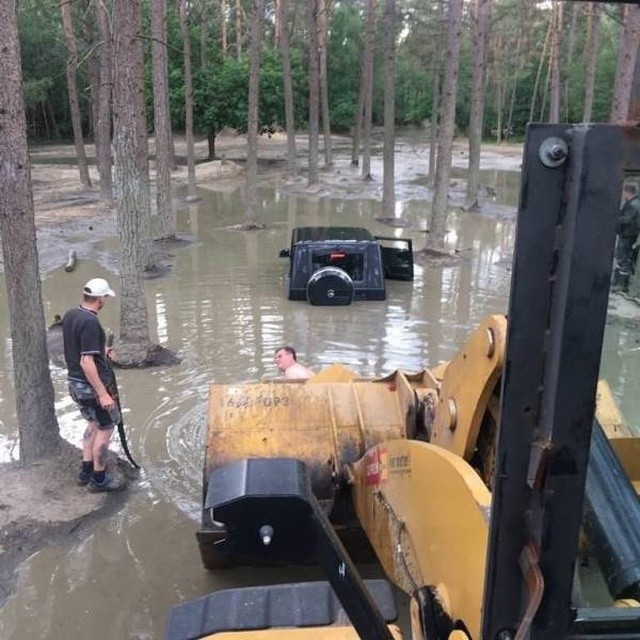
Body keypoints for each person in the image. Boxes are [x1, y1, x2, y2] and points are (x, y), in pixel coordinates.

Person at [62, 278, 126, 492]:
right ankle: (99, 479)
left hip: (75, 383)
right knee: (106, 427)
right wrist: (103, 393)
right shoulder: (90, 322)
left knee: (93, 423)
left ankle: (86, 470)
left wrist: (101, 351)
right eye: (105, 296)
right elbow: (86, 361)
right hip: (91, 387)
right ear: (100, 298)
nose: (106, 300)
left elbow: (81, 350)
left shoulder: (72, 315)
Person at [613, 184, 640, 293]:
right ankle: (618, 283)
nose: (623, 195)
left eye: (624, 192)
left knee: (623, 259)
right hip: (629, 235)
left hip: (627, 235)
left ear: (629, 193)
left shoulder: (633, 205)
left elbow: (627, 219)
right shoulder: (635, 203)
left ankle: (621, 285)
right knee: (623, 258)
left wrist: (616, 218)